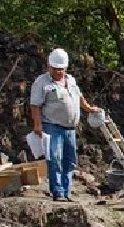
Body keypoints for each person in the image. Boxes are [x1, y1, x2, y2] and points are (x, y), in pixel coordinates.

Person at [29, 48, 101, 202]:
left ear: (65, 68)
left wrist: (88, 108)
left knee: (70, 160)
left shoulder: (71, 80)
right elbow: (35, 105)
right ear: (49, 67)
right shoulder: (42, 82)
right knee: (55, 158)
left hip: (69, 129)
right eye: (55, 69)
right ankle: (58, 192)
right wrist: (37, 125)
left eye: (61, 69)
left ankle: (67, 192)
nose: (58, 72)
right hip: (52, 126)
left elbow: (79, 97)